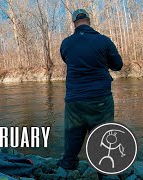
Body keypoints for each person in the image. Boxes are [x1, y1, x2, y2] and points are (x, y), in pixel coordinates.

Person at [58, 9, 123, 170]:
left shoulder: (66, 43)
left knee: (73, 133)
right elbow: (118, 65)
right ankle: (104, 169)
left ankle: (69, 164)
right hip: (100, 98)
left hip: (74, 100)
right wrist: (102, 61)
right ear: (89, 21)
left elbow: (68, 60)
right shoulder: (104, 41)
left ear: (74, 23)